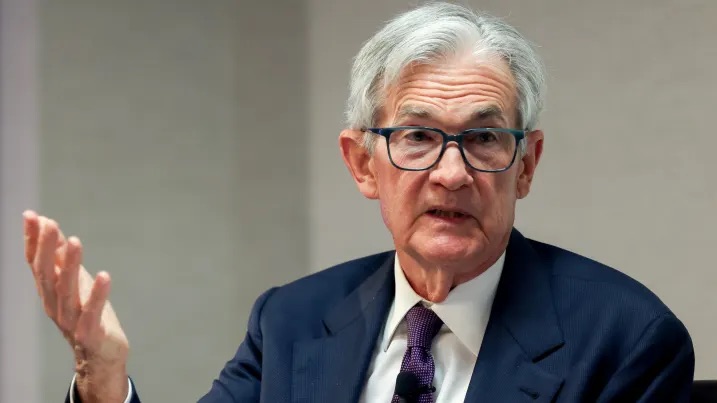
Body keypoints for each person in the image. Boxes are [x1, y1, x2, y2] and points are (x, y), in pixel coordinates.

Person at [24, 2, 694, 402]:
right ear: (361, 163)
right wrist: (103, 380)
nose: (451, 173)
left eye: (484, 137)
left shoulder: (625, 338)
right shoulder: (291, 320)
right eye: (417, 136)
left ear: (526, 165)